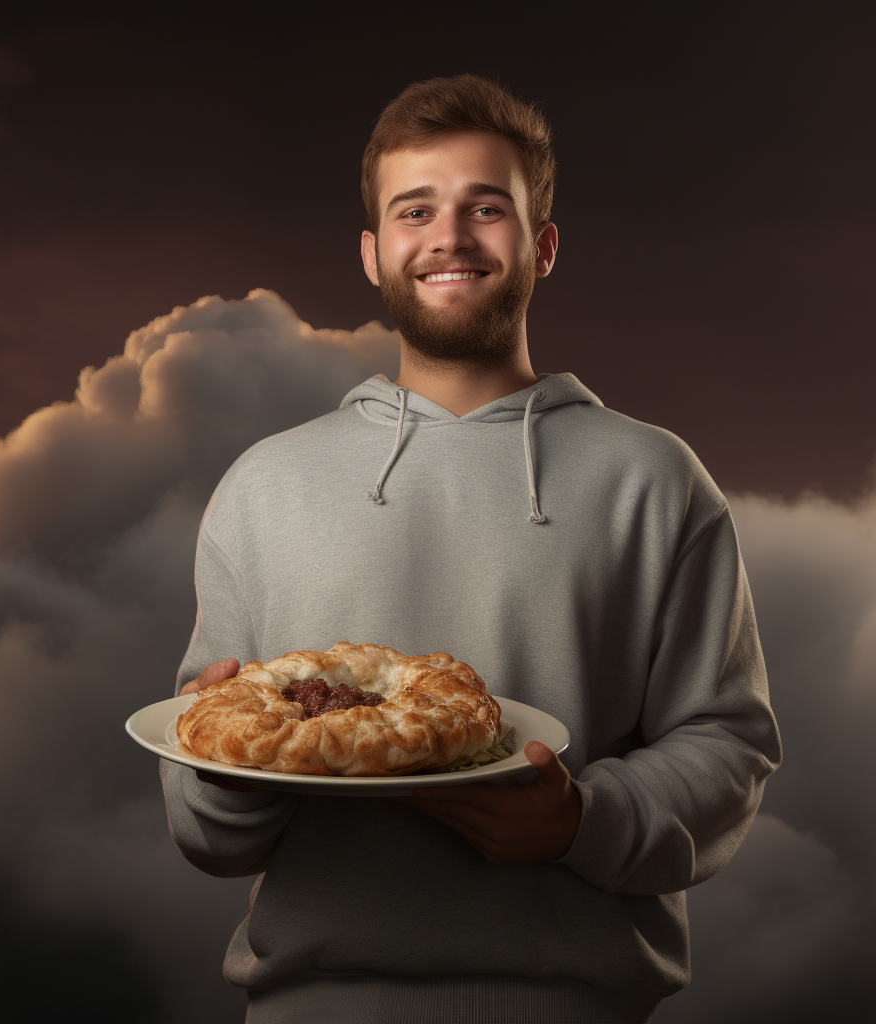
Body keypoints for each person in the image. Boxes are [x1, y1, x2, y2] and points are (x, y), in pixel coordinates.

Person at [159, 74, 781, 1024]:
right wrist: (217, 769)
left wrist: (580, 821)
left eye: (486, 208)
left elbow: (728, 743)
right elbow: (206, 830)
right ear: (373, 253)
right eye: (416, 210)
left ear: (543, 245)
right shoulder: (264, 486)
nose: (449, 236)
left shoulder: (653, 479)